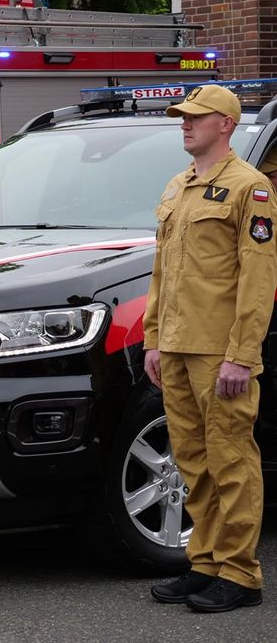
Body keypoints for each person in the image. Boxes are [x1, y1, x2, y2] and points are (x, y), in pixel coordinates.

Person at [143, 84, 277, 613]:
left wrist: (242, 355)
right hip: (176, 347)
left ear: (225, 124)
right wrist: (154, 339)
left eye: (195, 117)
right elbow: (162, 274)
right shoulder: (178, 187)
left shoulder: (252, 188)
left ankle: (241, 573)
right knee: (193, 461)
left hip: (218, 350)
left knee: (231, 459)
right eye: (182, 117)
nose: (184, 124)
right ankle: (206, 563)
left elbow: (257, 279)